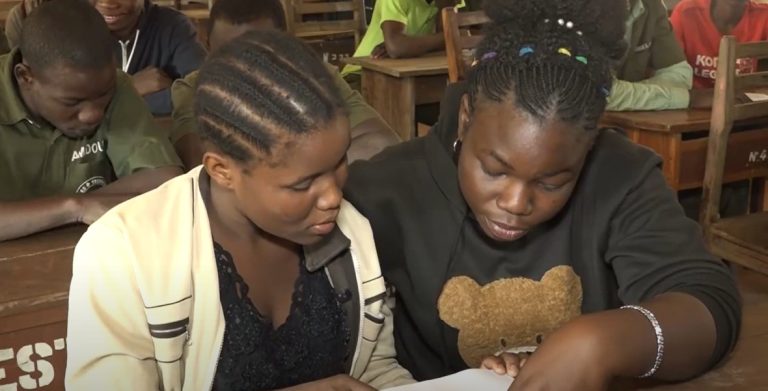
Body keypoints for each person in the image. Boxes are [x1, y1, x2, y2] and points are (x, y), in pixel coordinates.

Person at [344, 0, 741, 388]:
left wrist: (600, 343)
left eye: (552, 182)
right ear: (466, 119)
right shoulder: (387, 189)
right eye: (494, 170)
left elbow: (709, 303)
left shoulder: (621, 177)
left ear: (587, 149)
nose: (516, 203)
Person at [65, 30, 414, 391]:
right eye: (301, 184)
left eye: (339, 162)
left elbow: (374, 367)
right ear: (222, 170)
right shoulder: (124, 251)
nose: (332, 196)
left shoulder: (350, 232)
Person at [0, 0, 182, 242]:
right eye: (72, 102)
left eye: (103, 96)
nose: (93, 114)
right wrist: (75, 207)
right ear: (25, 77)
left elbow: (165, 180)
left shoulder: (113, 84)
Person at [170, 0, 399, 169]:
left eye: (257, 56)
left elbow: (381, 145)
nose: (240, 69)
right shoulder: (193, 89)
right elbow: (200, 167)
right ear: (208, 47)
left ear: (286, 43)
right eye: (225, 55)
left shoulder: (315, 75)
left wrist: (288, 179)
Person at [608, 0, 709, 110]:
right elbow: (600, 93)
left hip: (625, 121)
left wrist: (629, 94)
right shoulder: (589, 7)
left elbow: (680, 75)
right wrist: (688, 98)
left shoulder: (652, 5)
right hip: (593, 121)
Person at [340, 0, 463, 88]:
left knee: (451, 100)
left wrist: (407, 46)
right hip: (360, 75)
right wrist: (446, 38)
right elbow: (396, 47)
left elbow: (450, 43)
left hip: (410, 75)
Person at [670, 0, 768, 88]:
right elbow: (670, 77)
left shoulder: (763, 16)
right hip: (691, 103)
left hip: (741, 103)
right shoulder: (686, 12)